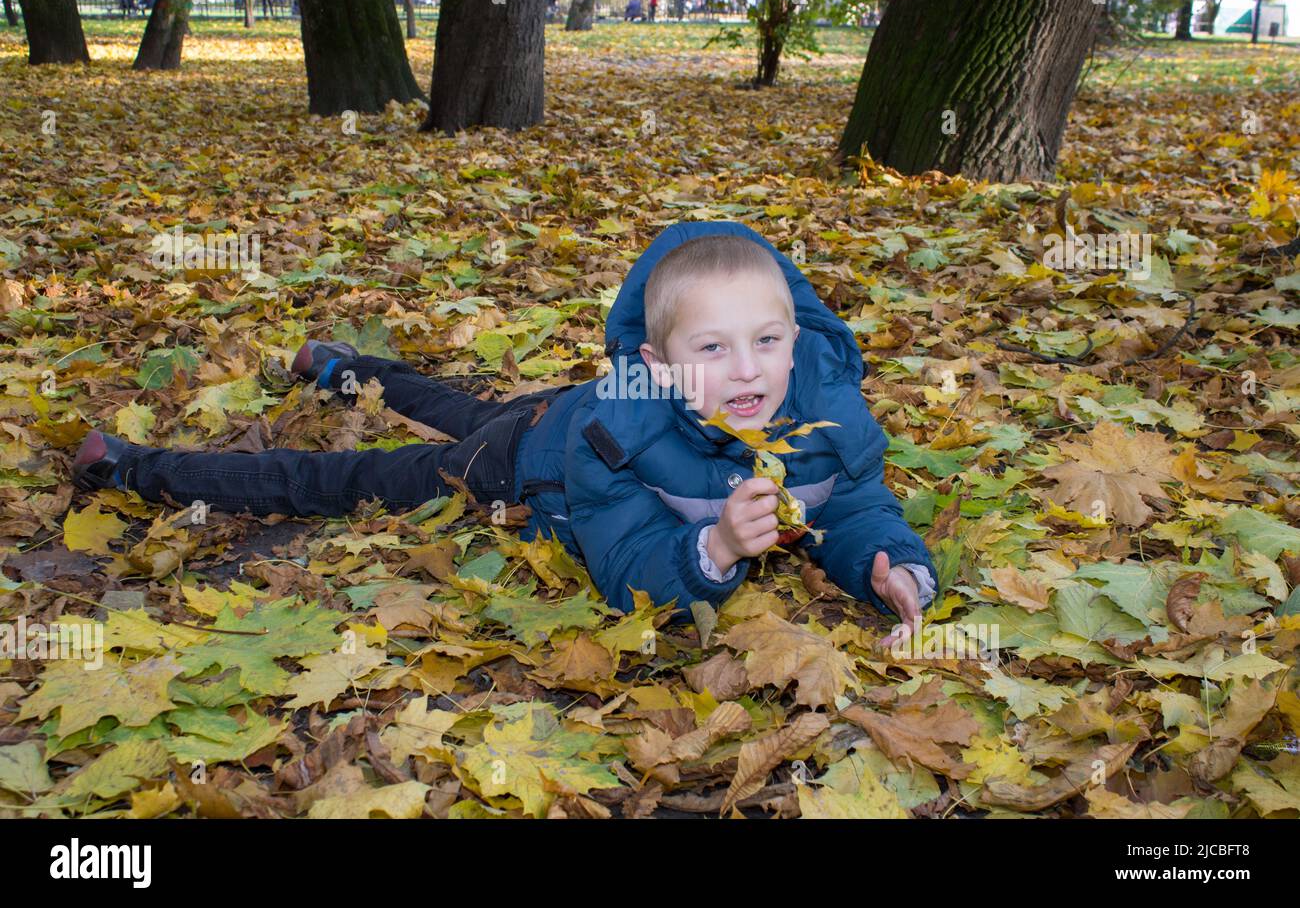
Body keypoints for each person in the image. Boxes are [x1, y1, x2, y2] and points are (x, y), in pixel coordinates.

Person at [70, 222, 936, 638]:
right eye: (714, 347)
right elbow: (625, 569)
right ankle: (141, 466)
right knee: (368, 476)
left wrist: (888, 566)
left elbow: (854, 504)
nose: (748, 370)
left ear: (798, 340)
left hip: (566, 407)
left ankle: (335, 364)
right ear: (661, 360)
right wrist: (711, 548)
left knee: (458, 402)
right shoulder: (619, 435)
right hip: (531, 462)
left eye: (768, 341)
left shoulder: (827, 413)